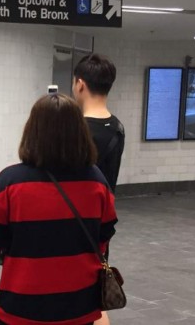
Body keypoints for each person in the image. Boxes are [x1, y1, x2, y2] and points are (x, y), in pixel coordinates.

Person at [0, 94, 118, 325]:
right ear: (79, 133)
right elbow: (104, 236)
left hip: (20, 308)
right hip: (79, 306)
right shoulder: (97, 182)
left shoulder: (9, 183)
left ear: (33, 131)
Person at [72, 54, 124, 325]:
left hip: (71, 220)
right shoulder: (117, 128)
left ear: (80, 84)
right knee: (97, 290)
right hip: (101, 219)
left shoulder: (77, 129)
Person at [72, 54, 125, 192]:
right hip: (104, 208)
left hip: (76, 209)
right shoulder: (118, 127)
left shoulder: (74, 127)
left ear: (80, 85)